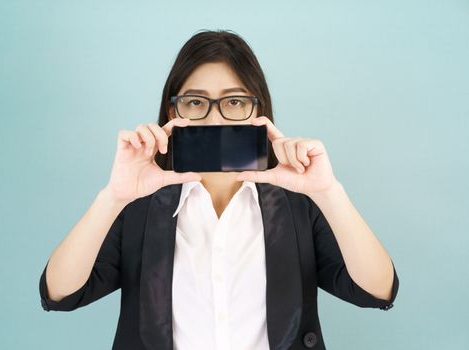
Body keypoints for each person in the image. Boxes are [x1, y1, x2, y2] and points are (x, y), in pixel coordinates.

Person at [39, 30, 399, 350]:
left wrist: (328, 191)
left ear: (258, 111)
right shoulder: (138, 206)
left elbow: (377, 291)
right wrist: (113, 196)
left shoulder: (298, 205)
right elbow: (60, 293)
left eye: (234, 102)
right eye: (195, 102)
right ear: (172, 111)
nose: (215, 119)